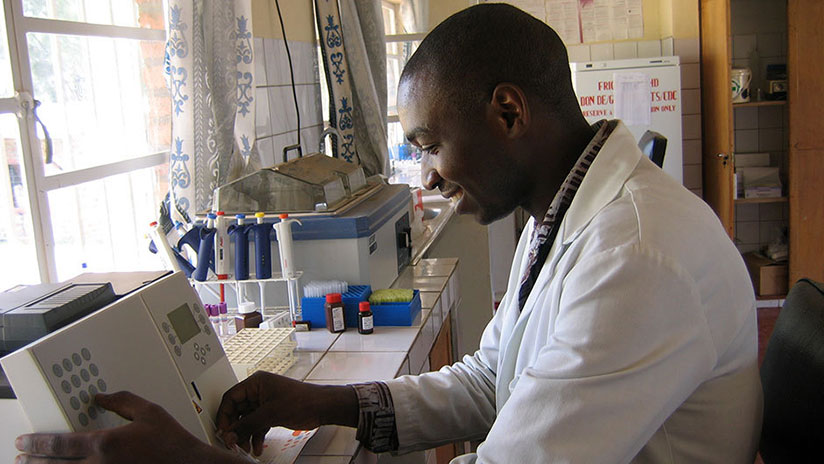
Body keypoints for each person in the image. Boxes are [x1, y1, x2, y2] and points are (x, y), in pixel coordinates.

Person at [14, 4, 762, 463]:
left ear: (508, 112)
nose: (428, 177)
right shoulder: (563, 213)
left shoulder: (635, 257)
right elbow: (490, 380)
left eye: (431, 145)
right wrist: (327, 405)